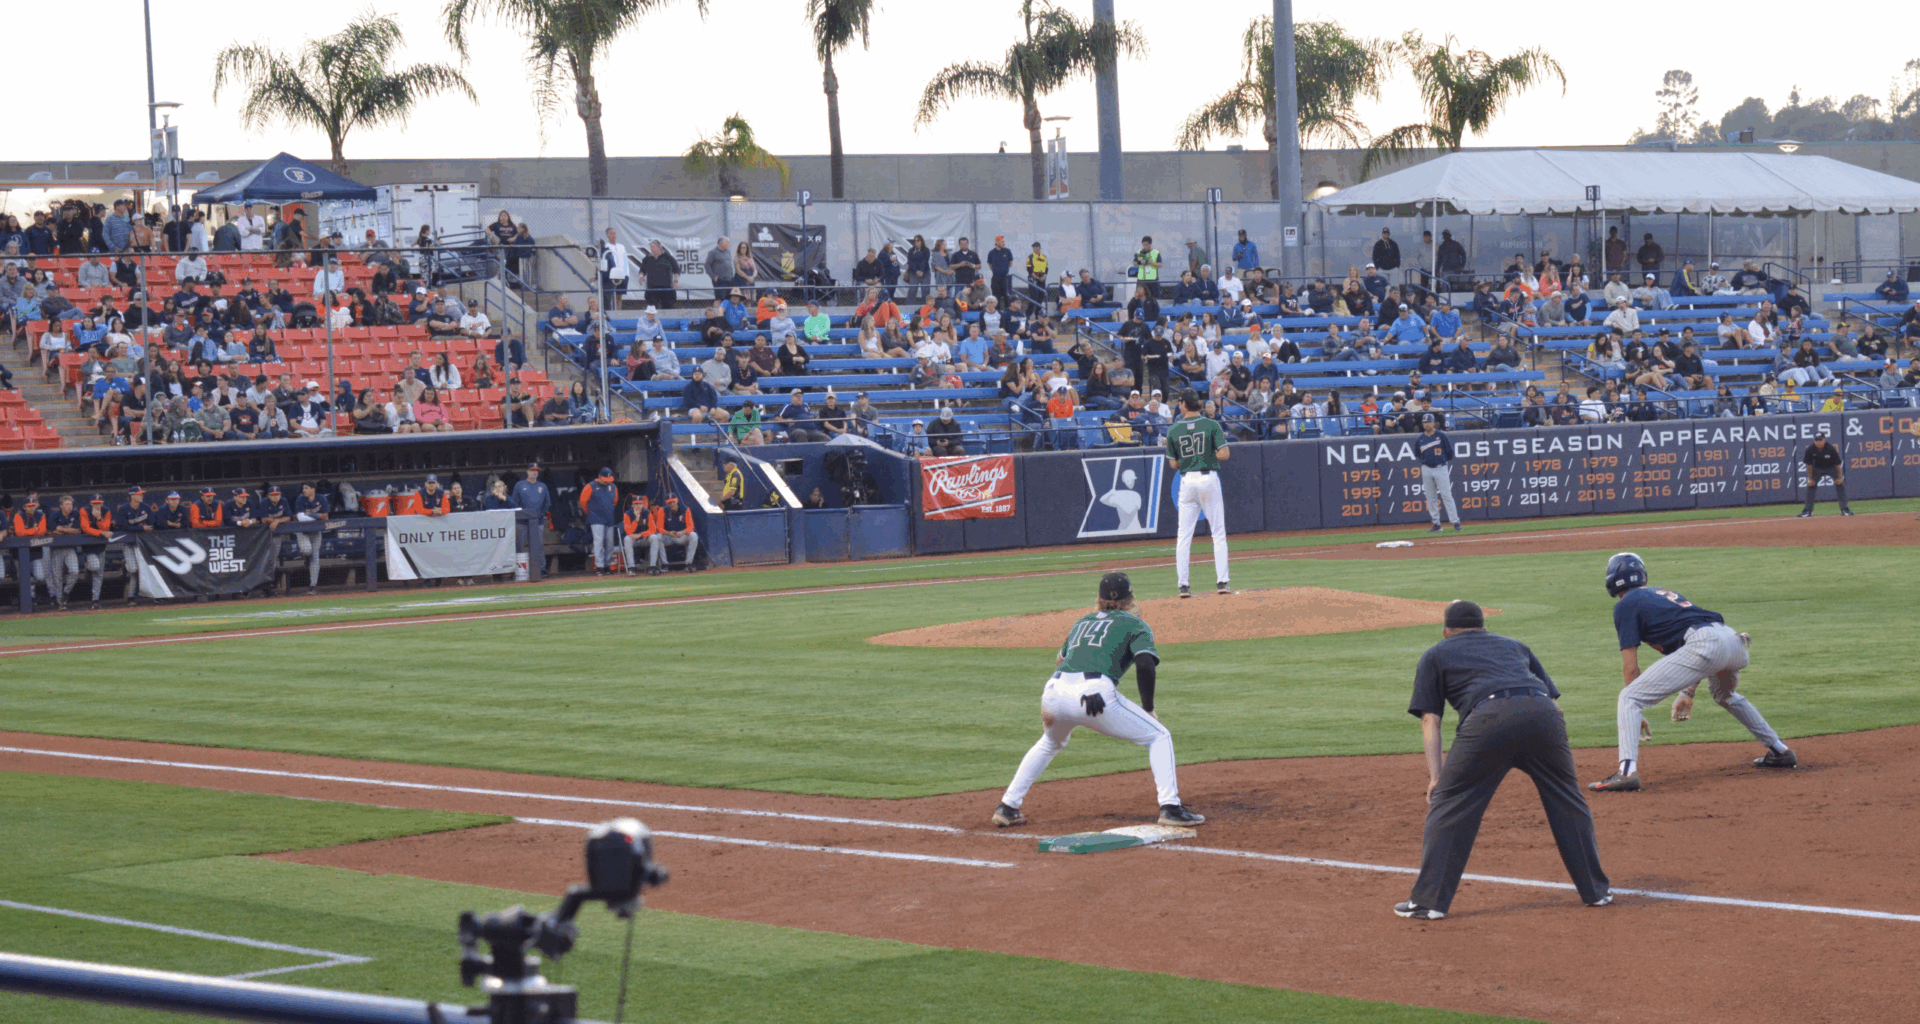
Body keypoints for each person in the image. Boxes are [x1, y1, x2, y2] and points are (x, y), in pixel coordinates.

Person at [1393, 600, 1611, 921]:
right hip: (1543, 714)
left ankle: (1429, 902)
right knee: (1567, 800)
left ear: (1446, 631)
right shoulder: (1515, 646)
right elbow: (1554, 703)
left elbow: (1430, 721)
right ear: (1484, 626)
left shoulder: (1436, 653)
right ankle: (1596, 892)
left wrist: (1437, 778)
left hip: (1489, 719)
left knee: (1451, 804)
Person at [990, 571, 1205, 829]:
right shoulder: (1135, 624)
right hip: (1093, 695)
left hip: (1054, 692)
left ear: (1099, 599)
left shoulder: (1083, 622)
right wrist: (1148, 708)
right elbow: (1145, 664)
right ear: (1130, 598)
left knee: (1050, 742)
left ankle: (1008, 806)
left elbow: (1061, 660)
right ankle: (1170, 807)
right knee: (1159, 736)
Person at [1589, 553, 1797, 793]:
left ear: (1612, 578)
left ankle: (1626, 773)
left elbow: (1631, 666)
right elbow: (1699, 651)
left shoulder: (1625, 605)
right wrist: (1688, 692)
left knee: (1629, 697)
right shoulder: (1658, 594)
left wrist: (1636, 709)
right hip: (1732, 640)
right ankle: (1780, 751)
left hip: (1705, 643)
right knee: (1725, 696)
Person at [1164, 391, 1230, 598]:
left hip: (1187, 480)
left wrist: (1190, 457)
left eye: (1180, 402)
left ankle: (1183, 585)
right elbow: (1224, 454)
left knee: (1184, 535)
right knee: (1218, 532)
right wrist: (1204, 454)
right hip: (1208, 477)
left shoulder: (1174, 429)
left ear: (1183, 404)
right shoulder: (1212, 425)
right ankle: (1222, 582)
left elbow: (1173, 463)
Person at [1416, 415, 1462, 532]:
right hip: (1426, 468)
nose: (1426, 424)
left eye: (1428, 422)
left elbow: (1450, 453)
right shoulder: (1420, 439)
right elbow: (1418, 454)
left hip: (1440, 468)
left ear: (1433, 423)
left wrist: (1440, 460)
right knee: (1430, 497)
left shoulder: (1441, 436)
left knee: (1446, 495)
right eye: (1424, 422)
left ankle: (1455, 522)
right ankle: (1436, 524)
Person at [1797, 432, 1853, 517]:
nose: (1818, 442)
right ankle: (1807, 511)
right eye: (1816, 440)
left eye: (1820, 440)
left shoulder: (1831, 449)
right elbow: (1809, 466)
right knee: (1811, 486)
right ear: (1814, 440)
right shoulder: (1810, 449)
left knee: (1840, 484)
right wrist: (1810, 478)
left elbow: (1837, 465)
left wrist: (1839, 478)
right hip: (1817, 469)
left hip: (1831, 468)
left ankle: (1845, 509)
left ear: (1824, 440)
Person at [578, 467, 621, 575]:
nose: (607, 482)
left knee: (610, 543)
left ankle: (607, 565)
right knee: (599, 543)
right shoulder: (590, 486)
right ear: (600, 477)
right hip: (596, 518)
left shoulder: (613, 486)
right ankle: (600, 567)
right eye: (605, 480)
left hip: (609, 518)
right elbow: (583, 502)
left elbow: (615, 501)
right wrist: (591, 513)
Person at [650, 494, 699, 571]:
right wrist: (668, 533)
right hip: (668, 536)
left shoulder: (685, 509)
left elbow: (691, 527)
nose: (672, 504)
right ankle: (664, 564)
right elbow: (659, 528)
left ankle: (689, 563)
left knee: (693, 535)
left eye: (673, 501)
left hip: (681, 536)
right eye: (669, 502)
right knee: (658, 537)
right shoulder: (663, 510)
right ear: (667, 503)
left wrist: (682, 532)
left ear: (677, 500)